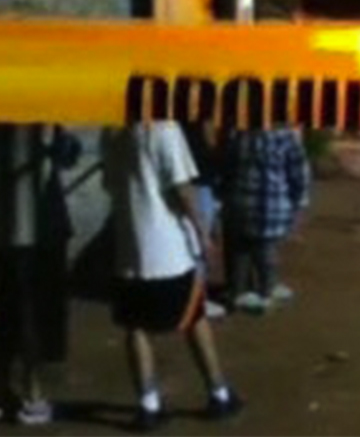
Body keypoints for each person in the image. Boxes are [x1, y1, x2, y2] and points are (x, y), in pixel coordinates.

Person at [101, 121, 241, 430]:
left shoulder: (112, 132)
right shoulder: (164, 129)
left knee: (136, 326)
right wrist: (203, 233)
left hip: (129, 249)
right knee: (194, 316)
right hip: (169, 249)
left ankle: (148, 404)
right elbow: (182, 189)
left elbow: (109, 184)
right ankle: (218, 393)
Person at [0, 124, 79, 426]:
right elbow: (67, 155)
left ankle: (14, 392)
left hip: (21, 228)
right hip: (35, 231)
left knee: (14, 313)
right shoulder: (39, 119)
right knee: (31, 315)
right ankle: (33, 394)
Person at [221, 127, 311, 314]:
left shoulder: (240, 134)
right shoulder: (286, 137)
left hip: (241, 203)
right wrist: (299, 204)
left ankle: (238, 292)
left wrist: (223, 195)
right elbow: (300, 175)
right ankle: (267, 290)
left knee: (242, 250)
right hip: (270, 206)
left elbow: (227, 169)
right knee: (265, 251)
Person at [180, 123, 228, 319]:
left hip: (201, 185)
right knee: (200, 245)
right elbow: (208, 152)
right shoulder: (194, 126)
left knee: (198, 243)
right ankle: (197, 301)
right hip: (198, 186)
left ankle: (195, 297)